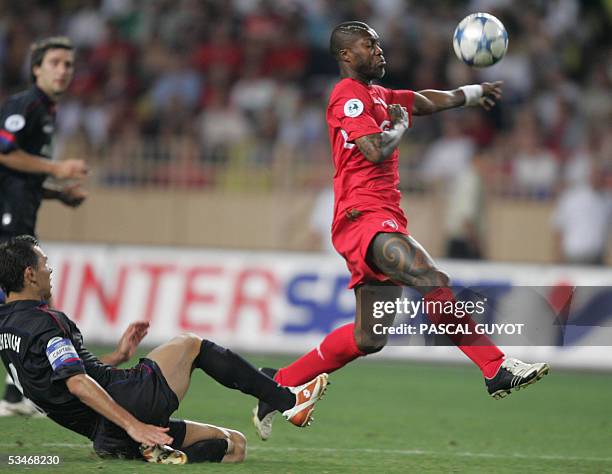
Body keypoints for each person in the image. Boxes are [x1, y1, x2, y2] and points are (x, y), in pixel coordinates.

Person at [252, 21, 549, 440]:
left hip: (380, 217)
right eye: (368, 45)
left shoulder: (377, 94)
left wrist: (471, 94)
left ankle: (276, 381)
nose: (378, 51)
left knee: (369, 338)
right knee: (430, 278)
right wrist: (399, 129)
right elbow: (374, 149)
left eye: (378, 44)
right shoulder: (346, 95)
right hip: (364, 218)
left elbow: (424, 101)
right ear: (345, 56)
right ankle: (495, 367)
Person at [0, 235, 328, 463]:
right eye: (44, 264)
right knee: (190, 345)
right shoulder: (45, 322)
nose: (50, 270)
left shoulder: (7, 326)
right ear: (29, 274)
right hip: (126, 405)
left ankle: (156, 453)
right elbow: (75, 382)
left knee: (235, 447)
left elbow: (63, 374)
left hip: (104, 434)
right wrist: (134, 425)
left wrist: (117, 357)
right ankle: (287, 401)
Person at [0, 36, 88, 415]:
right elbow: (4, 152)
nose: (63, 70)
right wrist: (56, 168)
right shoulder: (26, 105)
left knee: (25, 305)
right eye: (55, 62)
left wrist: (57, 194)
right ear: (37, 68)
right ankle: (19, 392)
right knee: (26, 303)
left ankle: (16, 393)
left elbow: (23, 175)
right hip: (6, 219)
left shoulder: (47, 111)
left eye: (68, 64)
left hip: (20, 215)